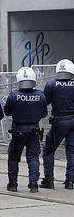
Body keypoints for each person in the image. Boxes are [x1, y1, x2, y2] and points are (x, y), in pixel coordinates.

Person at [4, 67, 48, 193]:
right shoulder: (40, 95)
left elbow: (6, 112)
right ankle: (34, 184)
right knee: (33, 157)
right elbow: (44, 114)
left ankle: (13, 184)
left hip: (18, 130)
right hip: (34, 130)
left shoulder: (14, 95)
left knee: (13, 157)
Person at [41, 59, 74, 190]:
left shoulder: (51, 84)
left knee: (49, 150)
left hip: (59, 122)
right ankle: (70, 181)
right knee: (72, 151)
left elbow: (44, 103)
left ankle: (49, 180)